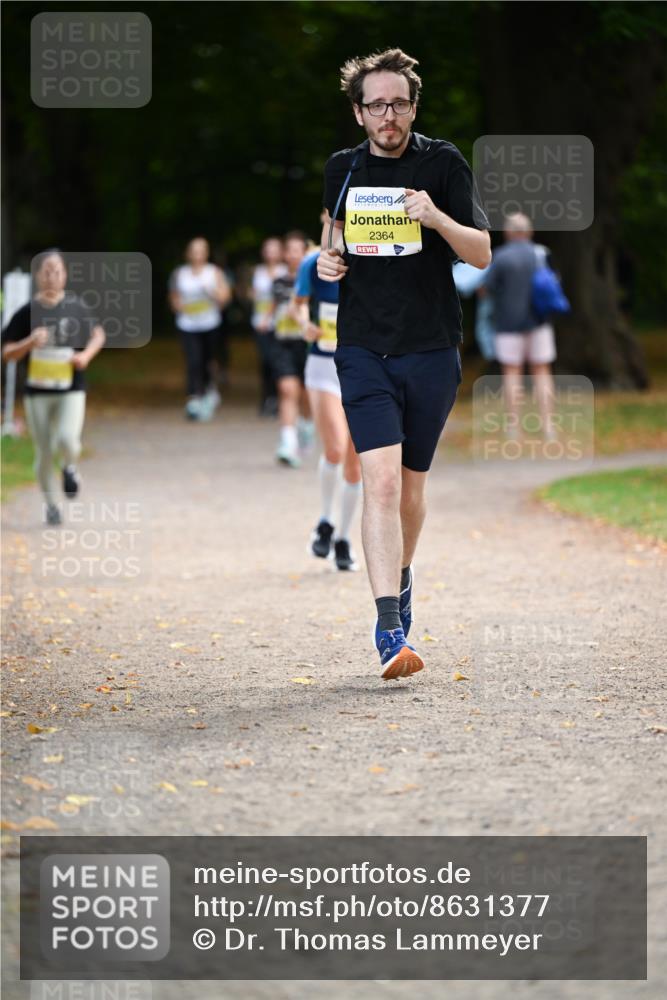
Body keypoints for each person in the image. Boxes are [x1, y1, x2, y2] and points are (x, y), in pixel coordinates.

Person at [317, 48, 491, 680]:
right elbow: (333, 240)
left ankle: (402, 574)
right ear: (358, 112)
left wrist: (436, 216)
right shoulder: (342, 168)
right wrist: (328, 261)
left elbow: (481, 253)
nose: (387, 115)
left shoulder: (442, 163)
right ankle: (390, 627)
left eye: (398, 104)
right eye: (376, 105)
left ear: (413, 107)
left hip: (431, 348)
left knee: (411, 489)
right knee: (381, 484)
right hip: (362, 347)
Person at [1, 250, 106, 524]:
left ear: (65, 276)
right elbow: (7, 352)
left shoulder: (76, 307)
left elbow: (98, 335)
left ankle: (70, 466)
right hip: (37, 392)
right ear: (38, 276)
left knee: (68, 439)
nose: (51, 277)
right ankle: (51, 505)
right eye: (46, 271)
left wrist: (85, 356)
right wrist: (29, 343)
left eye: (57, 271)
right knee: (44, 452)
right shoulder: (27, 312)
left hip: (71, 388)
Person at [294, 245, 362, 571]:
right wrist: (304, 324)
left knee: (355, 462)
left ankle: (344, 538)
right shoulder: (313, 264)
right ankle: (324, 521)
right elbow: (297, 304)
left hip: (362, 368)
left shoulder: (372, 256)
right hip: (323, 366)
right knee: (334, 447)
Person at [484, 213, 557, 440]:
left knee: (512, 373)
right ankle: (548, 426)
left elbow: (487, 288)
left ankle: (514, 427)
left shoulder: (500, 256)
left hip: (507, 324)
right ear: (529, 231)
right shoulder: (541, 253)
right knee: (542, 372)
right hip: (539, 322)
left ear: (508, 233)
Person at [168, 237, 232, 421]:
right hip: (187, 324)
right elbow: (173, 298)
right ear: (188, 254)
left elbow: (225, 298)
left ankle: (209, 388)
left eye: (201, 251)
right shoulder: (180, 273)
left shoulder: (214, 272)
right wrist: (179, 306)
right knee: (193, 360)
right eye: (194, 251)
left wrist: (211, 292)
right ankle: (194, 397)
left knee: (207, 360)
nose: (197, 255)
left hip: (210, 324)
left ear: (206, 253)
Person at [268, 231, 314, 468]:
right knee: (287, 390)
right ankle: (287, 443)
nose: (294, 254)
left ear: (305, 253)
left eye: (298, 250)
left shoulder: (315, 280)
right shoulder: (278, 283)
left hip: (307, 346)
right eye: (290, 250)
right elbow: (274, 308)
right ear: (285, 254)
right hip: (283, 343)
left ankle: (306, 425)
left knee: (306, 395)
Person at [251, 236, 286, 416]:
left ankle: (279, 399)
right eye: (268, 249)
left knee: (278, 362)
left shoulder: (285, 271)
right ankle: (267, 398)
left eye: (275, 249)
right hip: (260, 324)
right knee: (265, 362)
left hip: (281, 324)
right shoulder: (258, 271)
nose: (271, 253)